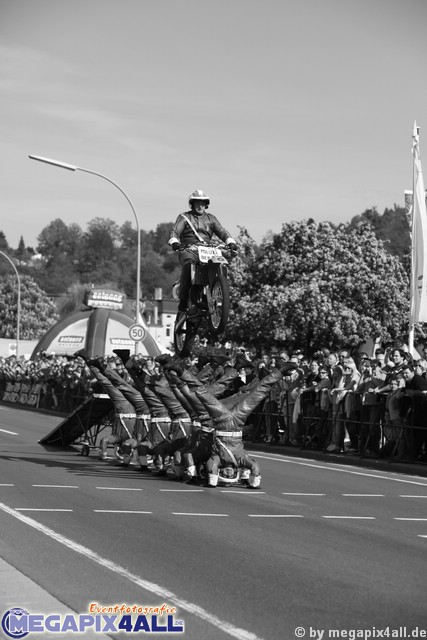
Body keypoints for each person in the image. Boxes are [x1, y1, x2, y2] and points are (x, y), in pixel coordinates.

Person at [168, 189, 237, 312]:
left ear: (206, 205)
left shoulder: (211, 218)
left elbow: (221, 231)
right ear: (192, 204)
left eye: (202, 203)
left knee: (221, 265)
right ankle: (183, 300)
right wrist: (175, 242)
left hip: (208, 250)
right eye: (197, 203)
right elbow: (175, 231)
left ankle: (223, 297)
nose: (200, 206)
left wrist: (230, 241)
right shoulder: (184, 217)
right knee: (189, 266)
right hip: (189, 249)